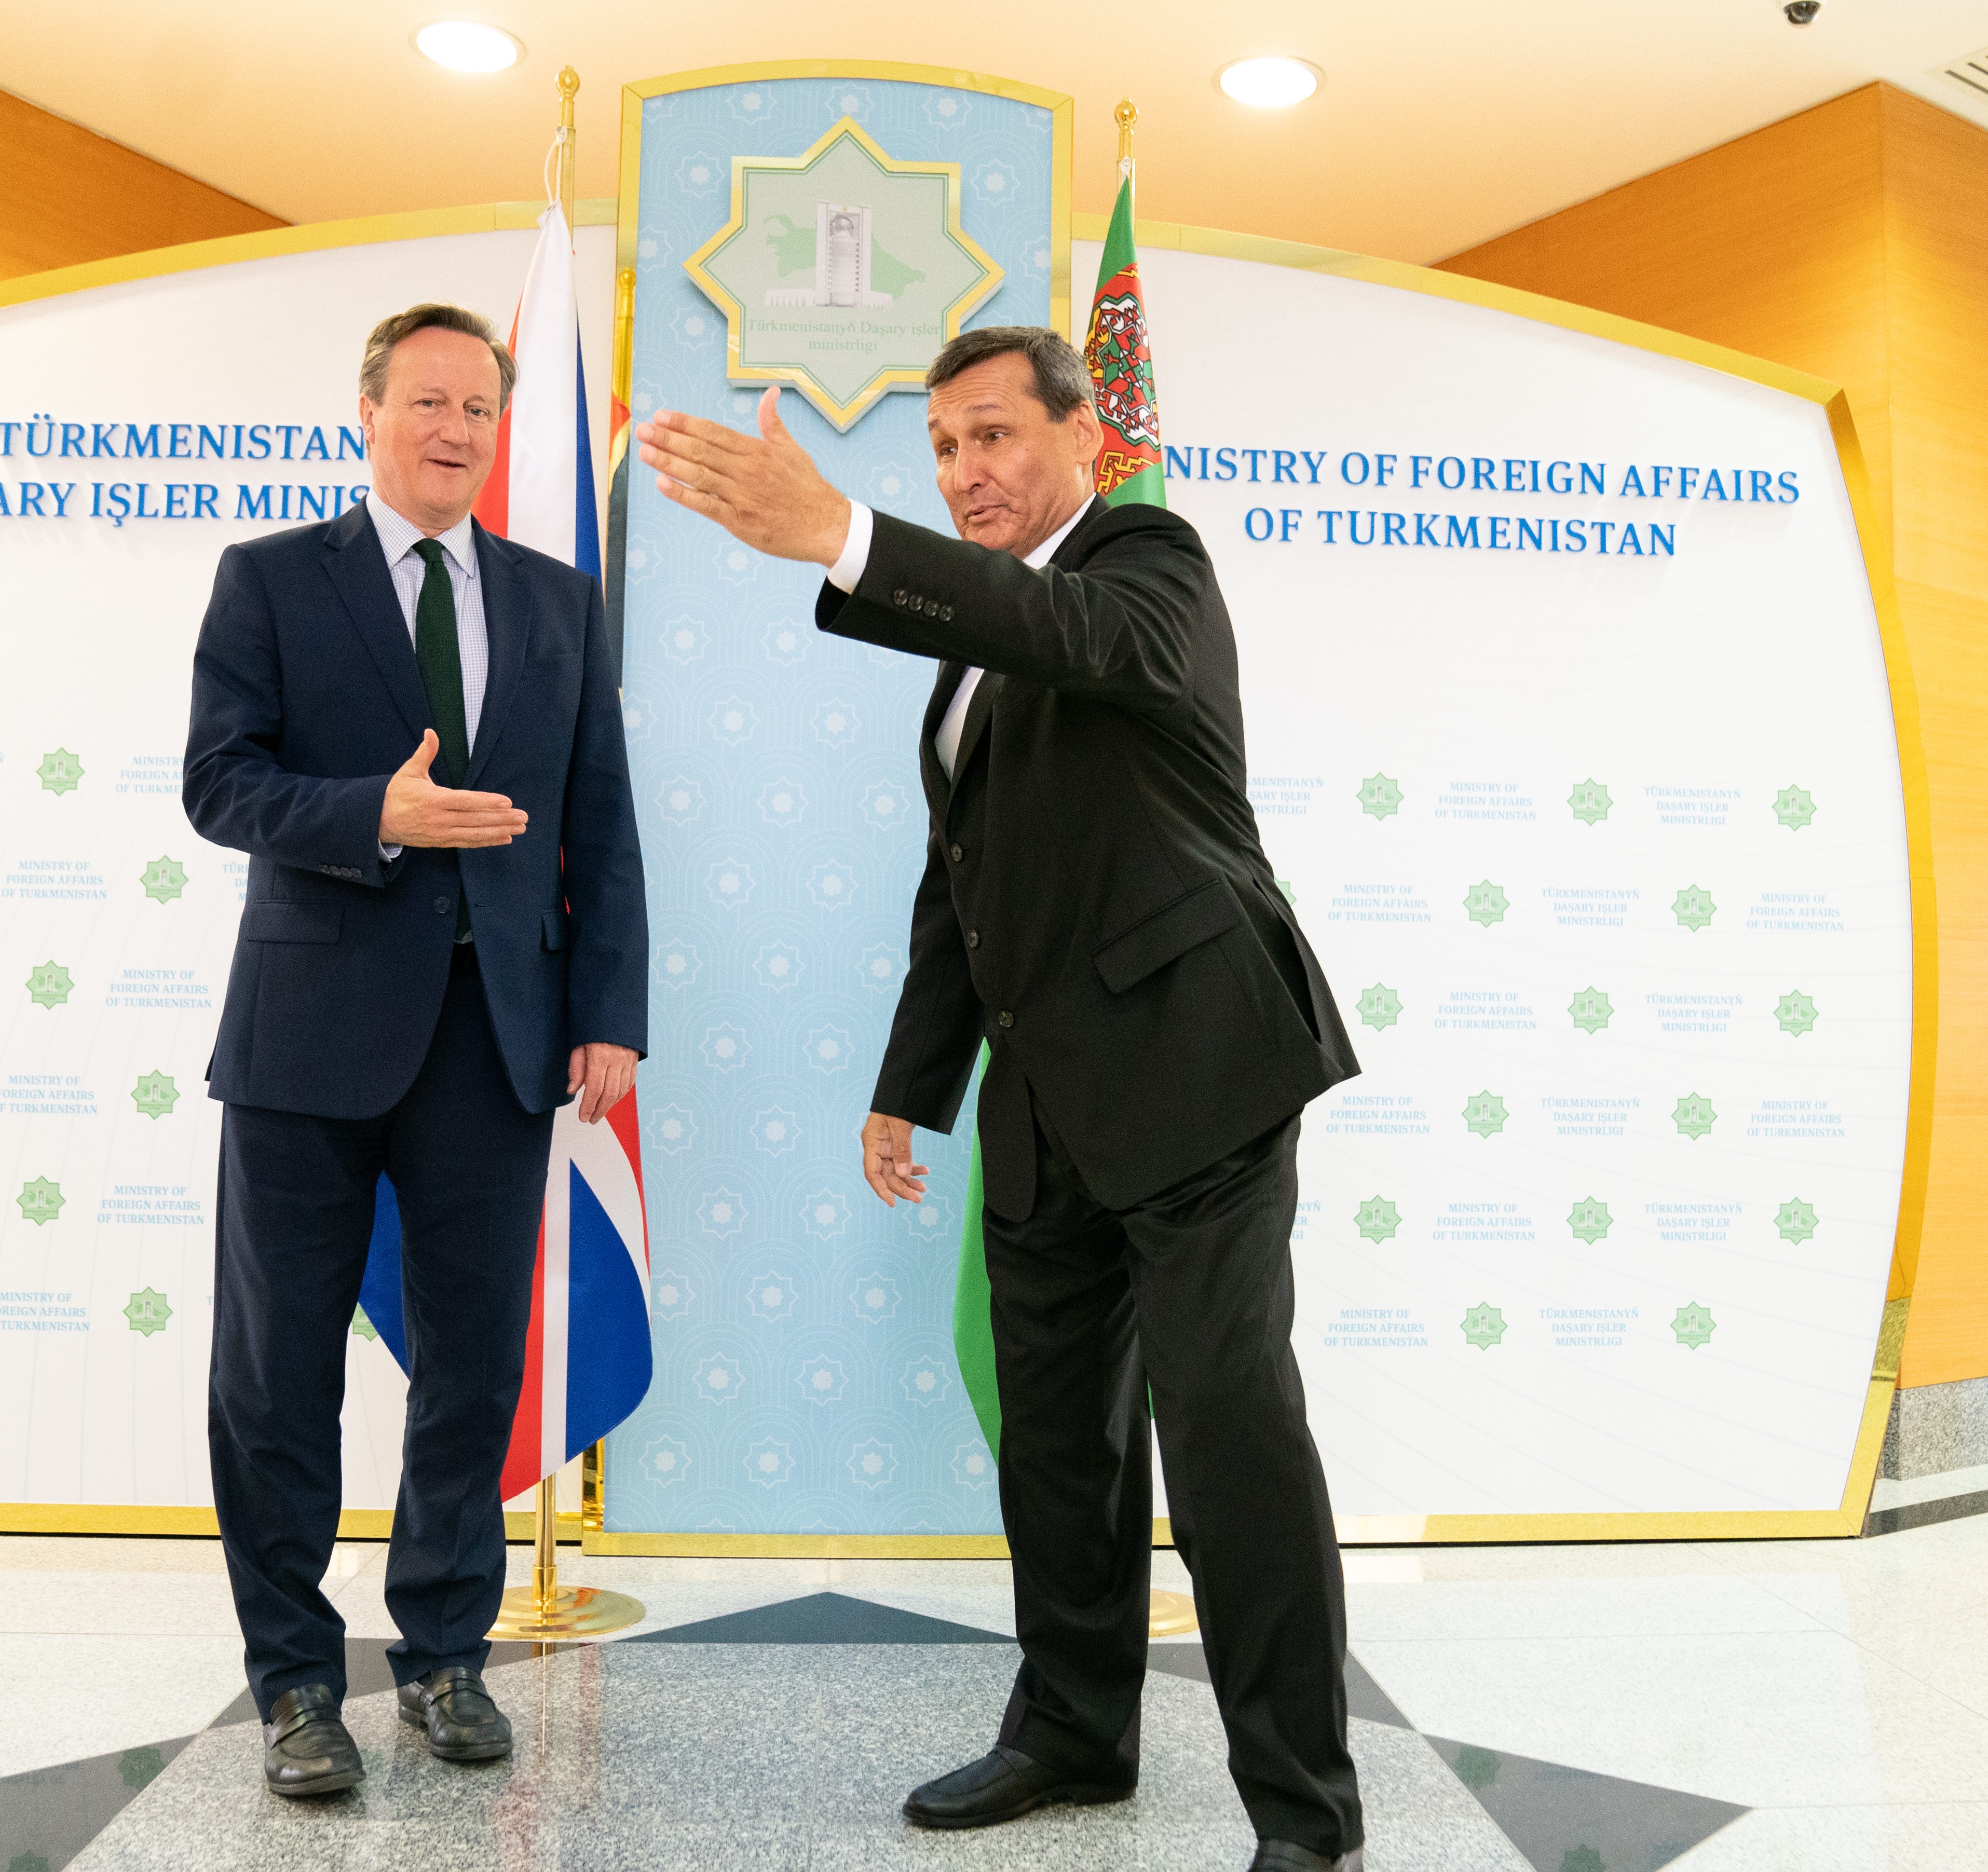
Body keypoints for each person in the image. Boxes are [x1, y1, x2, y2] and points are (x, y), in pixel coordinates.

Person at [636, 327, 1366, 1872]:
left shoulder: (1146, 562)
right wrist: (912, 1086)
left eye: (990, 438)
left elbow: (1079, 639)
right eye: (942, 450)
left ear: (1083, 435)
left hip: (1197, 1074)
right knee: (1057, 1448)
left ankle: (1306, 1814)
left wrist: (837, 532)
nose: (964, 473)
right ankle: (1072, 1733)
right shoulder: (969, 656)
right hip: (1043, 1103)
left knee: (1228, 1440)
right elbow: (964, 884)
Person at [183, 302, 647, 1798]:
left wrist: (608, 1013)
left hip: (497, 1043)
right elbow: (218, 784)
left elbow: (601, 824)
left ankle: (444, 1653)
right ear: (366, 412)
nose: (455, 429)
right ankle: (295, 1685)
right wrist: (366, 816)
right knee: (276, 1376)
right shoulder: (269, 581)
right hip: (307, 1035)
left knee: (467, 1369)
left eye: (479, 409)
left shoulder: (558, 600)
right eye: (427, 401)